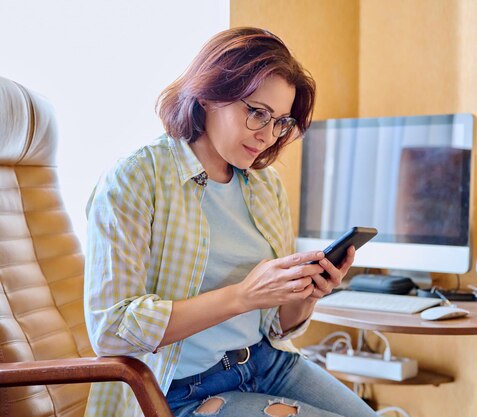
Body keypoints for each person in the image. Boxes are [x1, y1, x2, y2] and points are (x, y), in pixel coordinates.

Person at [84, 27, 380, 417]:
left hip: (266, 363)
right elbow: (111, 328)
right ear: (209, 95)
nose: (268, 135)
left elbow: (275, 325)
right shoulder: (136, 178)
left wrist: (307, 293)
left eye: (281, 122)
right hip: (181, 388)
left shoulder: (264, 185)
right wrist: (242, 295)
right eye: (257, 112)